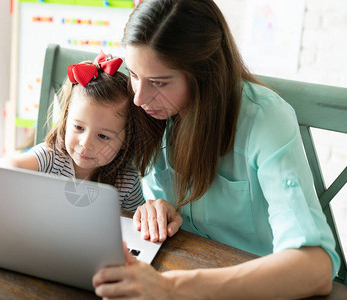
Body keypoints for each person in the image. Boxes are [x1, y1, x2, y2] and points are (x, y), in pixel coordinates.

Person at [92, 0, 340, 298]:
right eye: (134, 75)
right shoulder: (154, 114)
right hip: (177, 264)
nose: (139, 98)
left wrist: (173, 288)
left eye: (158, 82)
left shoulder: (264, 119)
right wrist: (156, 207)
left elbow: (316, 267)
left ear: (204, 73)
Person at [0, 51, 163, 212]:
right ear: (66, 119)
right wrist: (8, 171)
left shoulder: (126, 181)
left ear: (125, 141)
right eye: (78, 127)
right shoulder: (50, 157)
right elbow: (9, 165)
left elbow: (135, 223)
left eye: (103, 136)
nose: (86, 143)